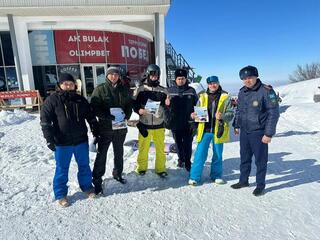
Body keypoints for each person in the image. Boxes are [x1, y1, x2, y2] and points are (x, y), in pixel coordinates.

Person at [40, 73, 99, 207]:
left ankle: (87, 187)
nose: (68, 86)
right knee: (62, 168)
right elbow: (45, 122)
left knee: (84, 166)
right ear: (59, 85)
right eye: (65, 83)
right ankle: (61, 194)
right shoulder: (52, 100)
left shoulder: (80, 100)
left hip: (80, 141)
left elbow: (90, 117)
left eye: (70, 83)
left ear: (74, 85)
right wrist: (49, 139)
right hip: (62, 142)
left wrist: (95, 129)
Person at [231, 65, 280, 196]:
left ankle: (260, 185)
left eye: (250, 77)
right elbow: (239, 110)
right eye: (244, 78)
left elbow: (273, 113)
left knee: (260, 160)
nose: (247, 80)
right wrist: (236, 124)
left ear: (256, 76)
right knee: (244, 158)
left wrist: (268, 133)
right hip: (245, 132)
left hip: (259, 132)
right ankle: (243, 181)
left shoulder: (266, 91)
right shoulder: (242, 92)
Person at [90, 66, 132, 194]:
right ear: (107, 75)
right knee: (102, 154)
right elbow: (94, 107)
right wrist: (106, 116)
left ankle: (118, 173)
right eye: (111, 74)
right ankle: (97, 180)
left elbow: (128, 105)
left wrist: (127, 116)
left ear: (119, 76)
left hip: (120, 128)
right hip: (105, 128)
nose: (114, 76)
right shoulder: (100, 89)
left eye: (116, 74)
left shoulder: (124, 89)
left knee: (119, 152)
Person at [188, 76, 234, 186]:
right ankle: (194, 177)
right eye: (210, 84)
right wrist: (193, 115)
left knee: (218, 154)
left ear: (218, 83)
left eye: (214, 83)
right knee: (200, 154)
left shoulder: (226, 96)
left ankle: (216, 176)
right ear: (207, 85)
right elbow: (196, 112)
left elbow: (231, 114)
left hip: (219, 131)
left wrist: (222, 116)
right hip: (204, 130)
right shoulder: (202, 96)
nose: (212, 85)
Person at [132, 64, 168, 177]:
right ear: (147, 75)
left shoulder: (163, 91)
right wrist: (139, 110)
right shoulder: (141, 89)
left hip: (159, 125)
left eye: (156, 76)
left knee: (160, 149)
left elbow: (167, 107)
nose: (154, 77)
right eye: (152, 75)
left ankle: (160, 169)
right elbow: (134, 104)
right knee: (143, 148)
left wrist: (168, 104)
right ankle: (141, 168)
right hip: (145, 124)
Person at [165, 68, 198, 172]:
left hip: (188, 123)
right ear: (175, 79)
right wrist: (166, 104)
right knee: (178, 143)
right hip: (175, 122)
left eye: (183, 78)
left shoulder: (191, 91)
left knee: (188, 144)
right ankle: (181, 159)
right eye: (178, 79)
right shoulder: (170, 91)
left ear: (186, 79)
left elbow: (198, 105)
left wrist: (196, 117)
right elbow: (164, 107)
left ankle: (188, 161)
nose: (181, 80)